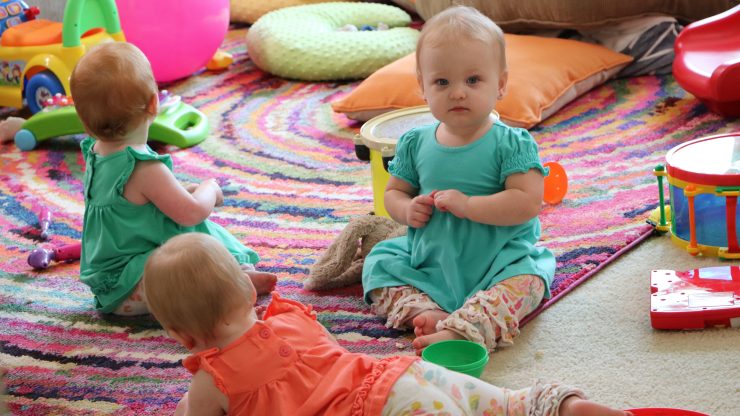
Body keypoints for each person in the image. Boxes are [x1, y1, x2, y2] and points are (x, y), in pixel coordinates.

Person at [143, 233, 630, 416]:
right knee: (501, 404)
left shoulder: (212, 382)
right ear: (251, 293)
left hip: (382, 412)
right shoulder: (291, 317)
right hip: (400, 378)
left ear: (181, 337)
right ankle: (561, 407)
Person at [362, 5, 556, 354]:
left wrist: (468, 205)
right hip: (430, 262)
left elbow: (527, 202)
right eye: (442, 82)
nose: (457, 93)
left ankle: (467, 327)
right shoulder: (414, 142)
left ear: (500, 84)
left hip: (500, 263)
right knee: (378, 262)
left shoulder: (512, 143)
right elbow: (394, 193)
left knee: (529, 281)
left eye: (473, 80)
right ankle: (422, 310)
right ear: (423, 87)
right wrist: (407, 209)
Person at [70, 42, 276, 316]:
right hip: (144, 284)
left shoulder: (95, 153)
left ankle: (236, 277)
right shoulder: (143, 167)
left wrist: (179, 191)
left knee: (190, 245)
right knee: (197, 243)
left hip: (110, 289)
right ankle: (231, 283)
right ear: (154, 103)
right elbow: (192, 213)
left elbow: (131, 210)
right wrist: (210, 189)